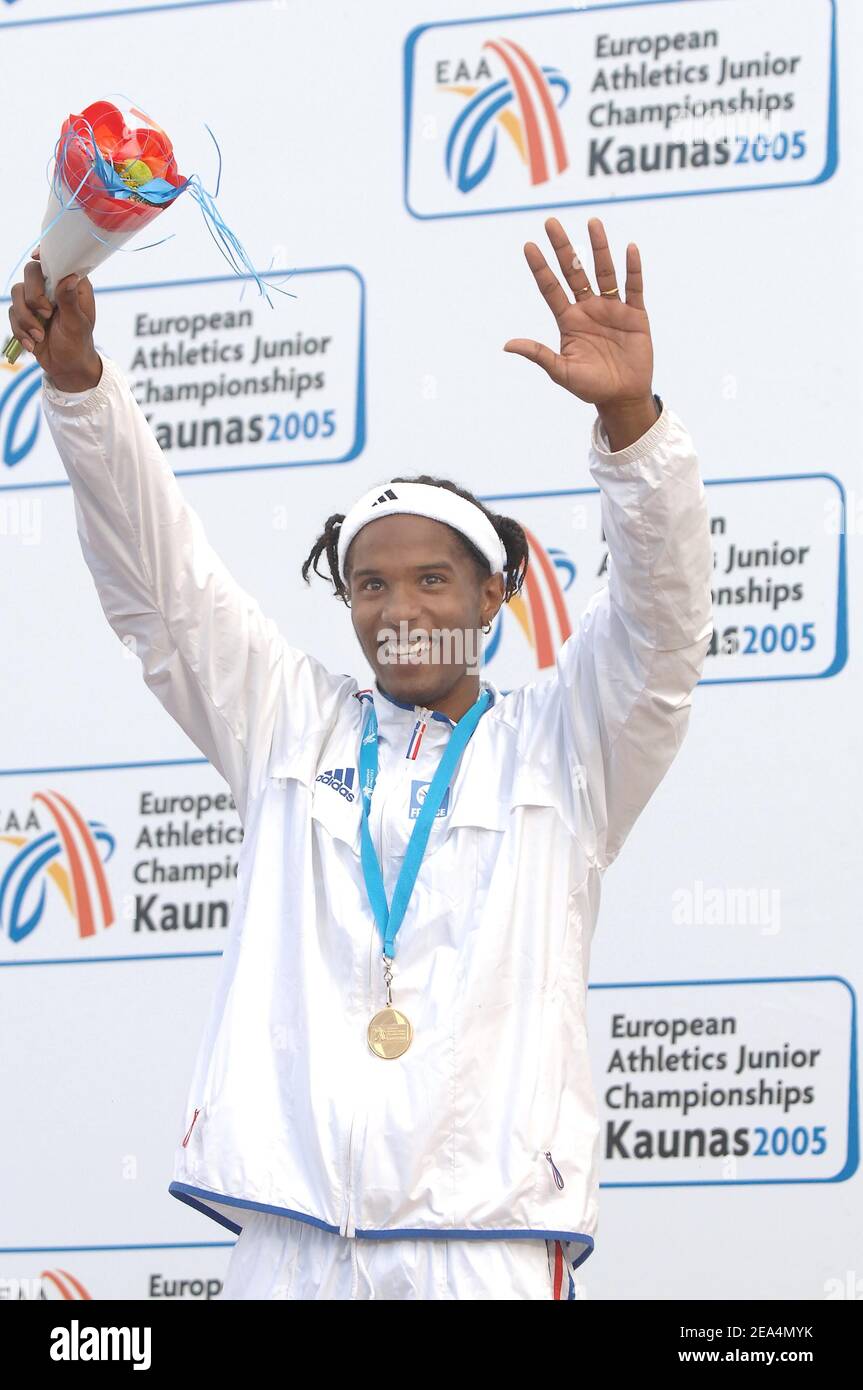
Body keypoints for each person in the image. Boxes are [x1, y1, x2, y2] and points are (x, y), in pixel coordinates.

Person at [10, 217, 713, 1301]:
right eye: (371, 585)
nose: (399, 609)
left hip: (478, 1247)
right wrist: (84, 392)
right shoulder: (292, 727)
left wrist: (630, 428)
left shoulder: (565, 750)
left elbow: (660, 634)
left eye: (433, 579)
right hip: (288, 1244)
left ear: (494, 592)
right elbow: (164, 590)